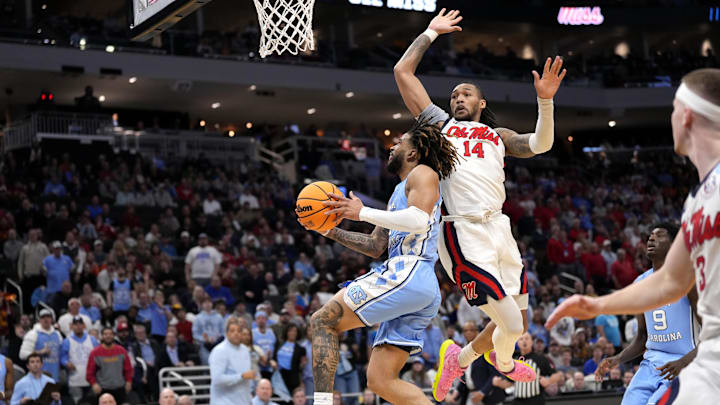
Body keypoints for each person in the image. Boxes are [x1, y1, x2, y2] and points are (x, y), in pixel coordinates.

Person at [392, 9, 566, 399]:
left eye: (465, 93)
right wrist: (430, 33)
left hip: (499, 228)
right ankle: (496, 363)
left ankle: (469, 359)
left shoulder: (497, 135)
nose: (457, 98)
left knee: (518, 319)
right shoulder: (439, 126)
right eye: (453, 94)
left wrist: (546, 103)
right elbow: (403, 73)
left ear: (481, 102)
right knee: (512, 326)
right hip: (462, 230)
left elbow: (541, 144)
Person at [545, 68, 720, 403]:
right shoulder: (696, 200)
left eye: (671, 110)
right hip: (706, 363)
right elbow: (669, 281)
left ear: (686, 117)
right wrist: (596, 304)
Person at [303, 122, 459, 405]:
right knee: (380, 380)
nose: (392, 146)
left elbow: (420, 221)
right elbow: (376, 247)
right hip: (416, 284)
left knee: (323, 320)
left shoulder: (423, 173)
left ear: (414, 153)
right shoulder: (399, 191)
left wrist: (362, 212)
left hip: (410, 272)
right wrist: (329, 230)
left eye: (399, 142)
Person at [593, 224, 700, 405]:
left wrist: (683, 362)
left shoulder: (688, 280)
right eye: (650, 236)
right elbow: (642, 337)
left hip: (682, 365)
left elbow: (712, 333)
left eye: (659, 236)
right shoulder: (640, 283)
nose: (651, 239)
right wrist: (618, 358)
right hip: (650, 365)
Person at [456, 321, 509, 405]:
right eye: (465, 330)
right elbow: (466, 376)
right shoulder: (463, 351)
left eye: (471, 330)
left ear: (477, 331)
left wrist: (482, 392)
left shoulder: (487, 348)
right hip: (472, 395)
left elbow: (495, 373)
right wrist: (457, 391)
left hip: (490, 396)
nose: (468, 332)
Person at [208, 317, 254, 405]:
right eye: (232, 331)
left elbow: (247, 379)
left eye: (238, 331)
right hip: (223, 402)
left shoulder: (245, 350)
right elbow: (217, 379)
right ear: (227, 333)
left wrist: (249, 400)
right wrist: (241, 376)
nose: (236, 333)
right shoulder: (219, 351)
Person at [86, 327, 133, 405]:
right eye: (105, 334)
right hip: (103, 388)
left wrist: (129, 381)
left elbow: (128, 369)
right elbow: (89, 372)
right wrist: (94, 384)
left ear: (114, 336)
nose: (108, 336)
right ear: (102, 336)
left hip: (120, 388)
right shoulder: (95, 353)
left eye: (110, 334)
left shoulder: (121, 351)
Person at [60, 316, 99, 404]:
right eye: (75, 324)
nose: (78, 326)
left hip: (91, 380)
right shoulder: (67, 341)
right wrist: (66, 363)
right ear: (71, 326)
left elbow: (98, 356)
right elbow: (62, 358)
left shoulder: (92, 340)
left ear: (84, 325)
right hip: (75, 380)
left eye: (80, 324)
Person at [19, 309, 63, 381]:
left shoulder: (57, 334)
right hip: (37, 378)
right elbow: (22, 355)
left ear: (51, 319)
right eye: (43, 317)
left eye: (48, 317)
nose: (46, 319)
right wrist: (40, 352)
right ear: (39, 320)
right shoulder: (33, 334)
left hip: (55, 376)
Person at [274, 324, 306, 395]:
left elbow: (300, 368)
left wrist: (303, 364)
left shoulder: (301, 349)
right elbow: (273, 358)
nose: (292, 333)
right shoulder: (279, 344)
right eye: (290, 331)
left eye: (295, 331)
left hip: (292, 378)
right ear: (286, 332)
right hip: (278, 376)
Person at [192, 299, 225, 365]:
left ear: (212, 304)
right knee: (207, 365)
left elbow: (224, 331)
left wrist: (219, 338)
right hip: (204, 346)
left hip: (218, 345)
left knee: (219, 365)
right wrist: (204, 339)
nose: (207, 304)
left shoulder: (219, 317)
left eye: (209, 302)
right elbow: (195, 334)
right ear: (202, 305)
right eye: (205, 303)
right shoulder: (198, 318)